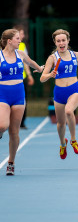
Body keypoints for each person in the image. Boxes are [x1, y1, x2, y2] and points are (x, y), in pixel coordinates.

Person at [40, 29, 78, 159]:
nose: (61, 43)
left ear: (68, 41)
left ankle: (73, 140)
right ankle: (63, 144)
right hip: (59, 92)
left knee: (69, 111)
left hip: (74, 89)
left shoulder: (75, 55)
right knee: (61, 123)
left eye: (63, 40)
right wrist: (50, 75)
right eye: (58, 41)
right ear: (55, 43)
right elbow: (42, 78)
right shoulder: (52, 58)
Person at [0, 29, 44, 175]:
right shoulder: (0, 56)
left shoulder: (20, 54)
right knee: (2, 125)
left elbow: (31, 63)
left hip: (18, 95)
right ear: (9, 41)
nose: (20, 41)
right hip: (3, 95)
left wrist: (41, 69)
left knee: (14, 132)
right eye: (17, 38)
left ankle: (11, 163)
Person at [13, 25, 35, 129]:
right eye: (21, 33)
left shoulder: (22, 46)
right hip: (10, 79)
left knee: (23, 100)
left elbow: (26, 62)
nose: (23, 35)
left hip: (22, 78)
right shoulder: (5, 46)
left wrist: (29, 75)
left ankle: (21, 122)